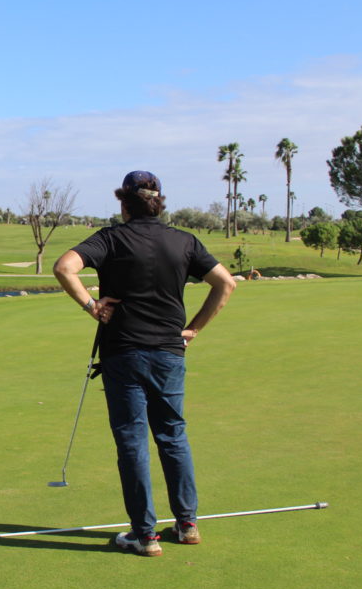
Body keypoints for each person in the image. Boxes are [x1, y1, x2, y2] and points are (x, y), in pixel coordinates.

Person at [53, 171, 236, 557]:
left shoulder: (110, 238)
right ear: (159, 201)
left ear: (124, 203)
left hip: (123, 353)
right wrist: (194, 329)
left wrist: (91, 306)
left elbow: (64, 267)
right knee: (173, 435)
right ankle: (187, 525)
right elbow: (226, 283)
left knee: (133, 442)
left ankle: (145, 535)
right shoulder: (184, 241)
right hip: (170, 352)